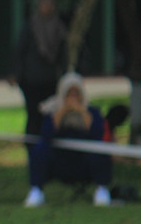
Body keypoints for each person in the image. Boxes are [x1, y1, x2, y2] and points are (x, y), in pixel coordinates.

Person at [24, 72, 111, 207]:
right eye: (69, 94)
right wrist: (63, 110)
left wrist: (82, 111)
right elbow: (47, 135)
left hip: (83, 160)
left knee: (99, 151)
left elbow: (96, 134)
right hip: (60, 159)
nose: (73, 98)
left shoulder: (92, 112)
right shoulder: (52, 111)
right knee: (39, 150)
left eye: (76, 94)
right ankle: (36, 191)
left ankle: (102, 190)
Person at [9, 0, 68, 164]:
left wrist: (65, 77)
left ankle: (49, 154)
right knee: (33, 116)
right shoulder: (31, 26)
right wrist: (15, 74)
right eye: (43, 2)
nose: (46, 6)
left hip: (50, 81)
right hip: (31, 81)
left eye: (49, 3)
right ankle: (32, 152)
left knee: (49, 117)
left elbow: (63, 55)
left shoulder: (59, 27)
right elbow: (19, 50)